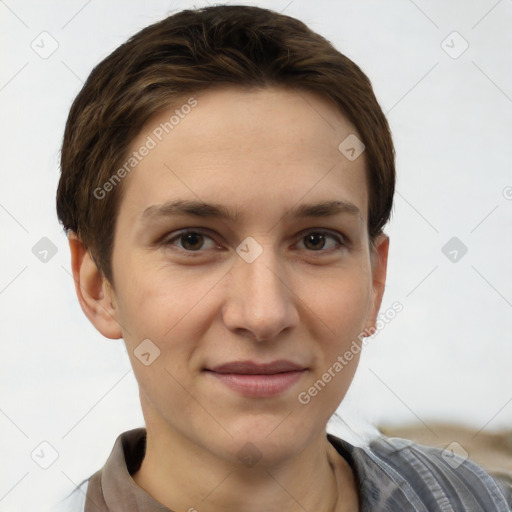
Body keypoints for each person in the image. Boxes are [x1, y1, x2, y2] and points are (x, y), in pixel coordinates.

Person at [54, 4, 511, 511]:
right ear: (98, 285)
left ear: (375, 282)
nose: (264, 313)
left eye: (316, 240)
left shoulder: (475, 498)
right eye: (192, 241)